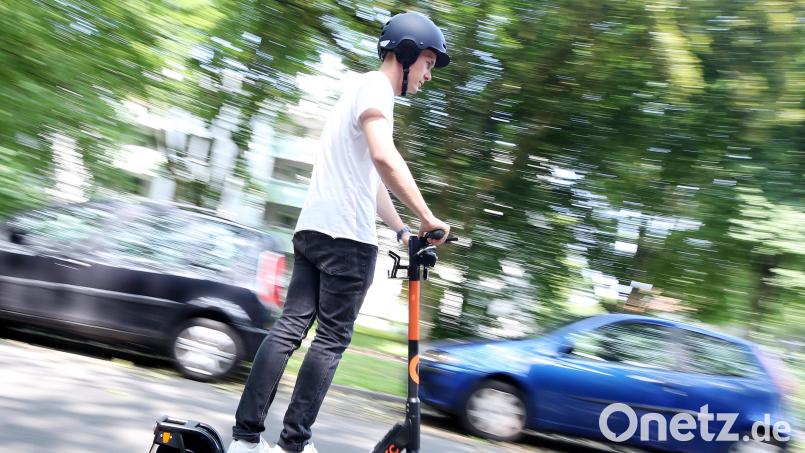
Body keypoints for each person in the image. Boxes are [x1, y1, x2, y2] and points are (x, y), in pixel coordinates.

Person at [226, 11, 452, 453]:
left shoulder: (355, 91)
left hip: (313, 230)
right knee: (330, 340)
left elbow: (369, 182)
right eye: (427, 63)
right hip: (347, 241)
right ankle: (294, 444)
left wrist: (405, 230)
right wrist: (428, 217)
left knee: (288, 330)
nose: (428, 75)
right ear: (404, 54)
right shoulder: (377, 91)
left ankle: (245, 439)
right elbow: (386, 159)